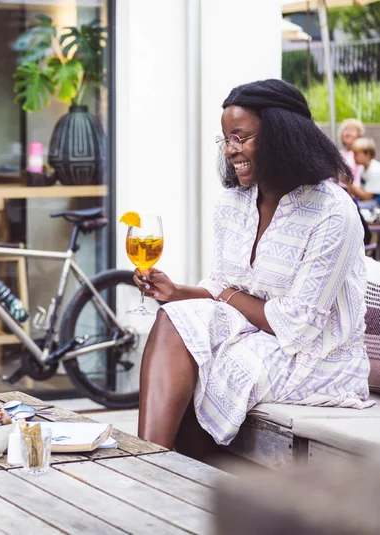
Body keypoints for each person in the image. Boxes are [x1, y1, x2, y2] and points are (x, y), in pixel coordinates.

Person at [134, 79, 374, 461]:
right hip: (255, 336)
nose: (230, 150)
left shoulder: (333, 211)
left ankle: (170, 479)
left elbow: (297, 326)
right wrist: (178, 292)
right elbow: (221, 286)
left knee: (216, 364)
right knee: (175, 318)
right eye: (225, 140)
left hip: (317, 359)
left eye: (240, 137)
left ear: (282, 135)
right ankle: (146, 463)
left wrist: (226, 296)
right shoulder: (233, 203)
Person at [347, 137, 380, 203]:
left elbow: (367, 198)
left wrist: (348, 182)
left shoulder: (375, 170)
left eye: (356, 154)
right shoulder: (362, 168)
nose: (353, 157)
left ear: (367, 155)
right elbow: (360, 191)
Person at [339, 118, 365, 186]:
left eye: (352, 130)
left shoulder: (363, 155)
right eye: (346, 130)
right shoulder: (338, 154)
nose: (348, 133)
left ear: (359, 135)